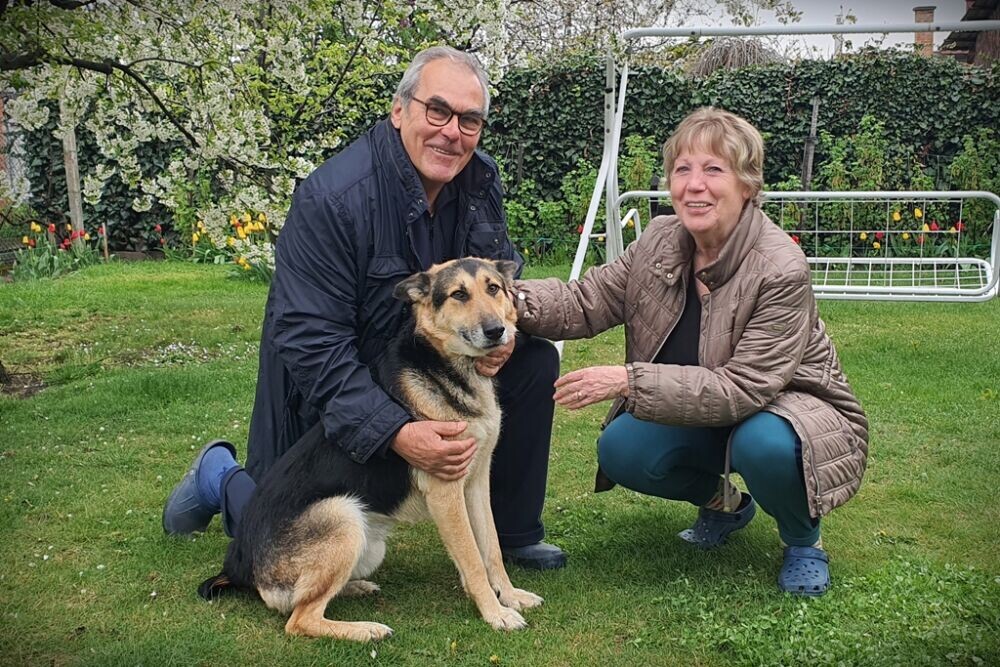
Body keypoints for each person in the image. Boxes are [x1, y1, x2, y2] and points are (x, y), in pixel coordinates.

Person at [162, 46, 567, 570]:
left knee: (533, 359)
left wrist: (502, 336)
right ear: (399, 110)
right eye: (437, 111)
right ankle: (219, 476)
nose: (452, 132)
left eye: (469, 120)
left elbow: (499, 274)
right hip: (326, 386)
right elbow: (310, 341)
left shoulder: (479, 181)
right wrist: (394, 431)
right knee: (274, 530)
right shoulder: (332, 198)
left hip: (417, 363)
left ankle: (511, 530)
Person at [510, 107, 868, 594]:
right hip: (699, 408)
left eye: (713, 169)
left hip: (784, 410)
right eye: (683, 169)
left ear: (747, 185)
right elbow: (586, 300)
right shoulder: (660, 239)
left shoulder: (781, 267)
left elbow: (744, 387)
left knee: (763, 445)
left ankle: (804, 541)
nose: (694, 185)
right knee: (621, 449)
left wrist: (626, 380)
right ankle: (726, 505)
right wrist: (502, 298)